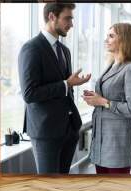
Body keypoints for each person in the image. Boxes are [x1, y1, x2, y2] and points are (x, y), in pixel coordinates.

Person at [18, 3, 91, 174]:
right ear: (52, 17)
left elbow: (66, 88)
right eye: (68, 18)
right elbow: (29, 93)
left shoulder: (65, 51)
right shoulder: (31, 49)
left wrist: (72, 85)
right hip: (45, 132)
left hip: (68, 129)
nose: (71, 24)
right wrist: (66, 84)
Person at [82, 23, 131, 174]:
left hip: (117, 141)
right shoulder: (110, 65)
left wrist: (103, 102)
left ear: (124, 40)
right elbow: (106, 96)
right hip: (101, 140)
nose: (106, 40)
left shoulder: (130, 68)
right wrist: (94, 98)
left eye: (111, 36)